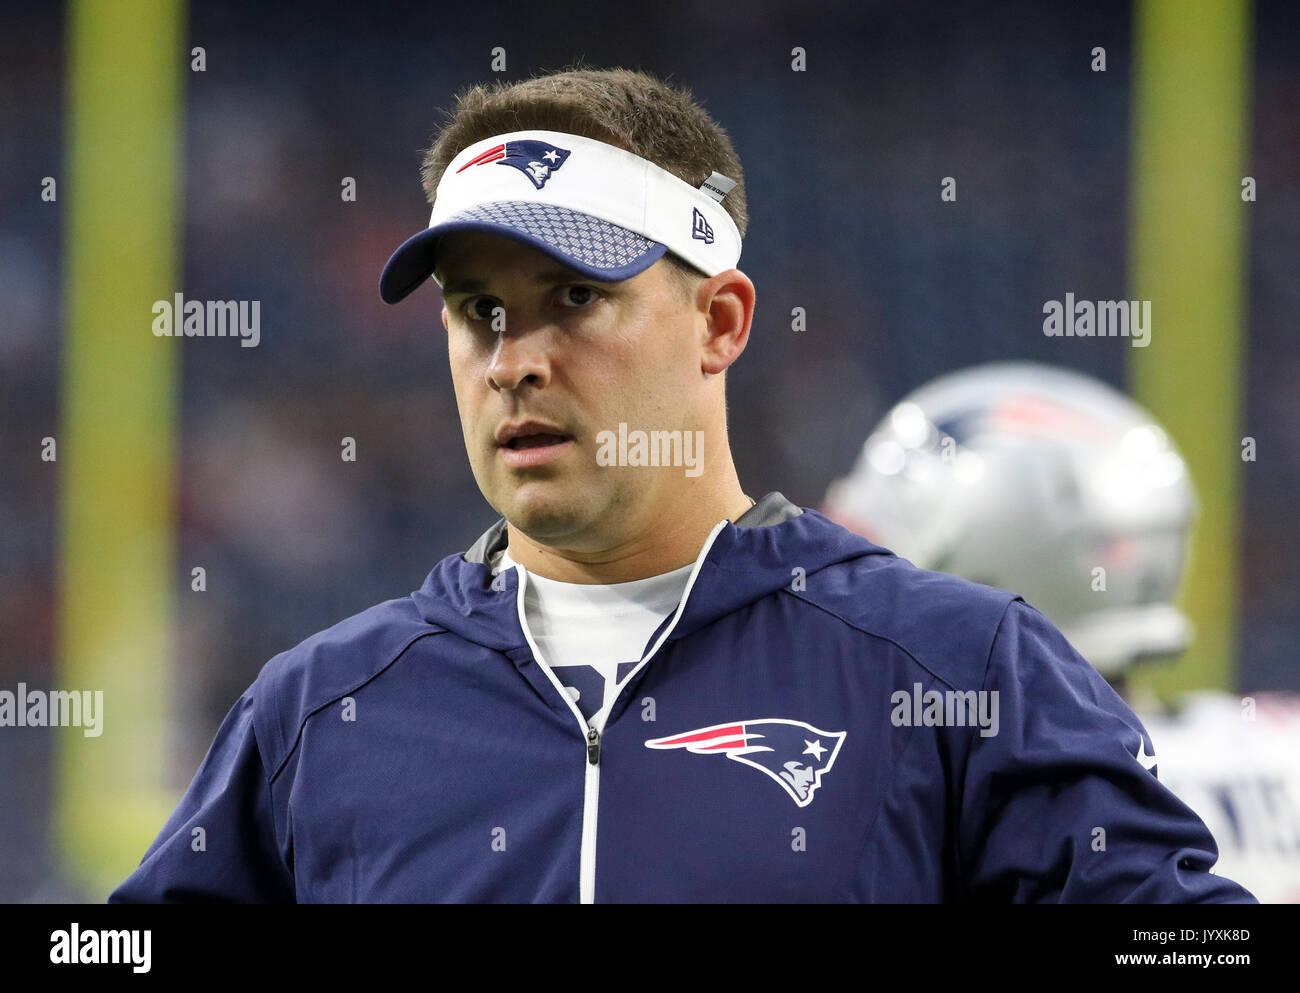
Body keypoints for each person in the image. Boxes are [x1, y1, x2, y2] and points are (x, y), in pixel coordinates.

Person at [110, 69, 1255, 903]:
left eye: (572, 298)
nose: (514, 358)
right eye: (477, 311)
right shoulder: (321, 708)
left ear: (718, 321)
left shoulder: (957, 667)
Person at [823, 360, 1297, 901]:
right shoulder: (1273, 748)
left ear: (985, 574)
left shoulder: (968, 793)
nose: (837, 601)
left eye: (875, 569)